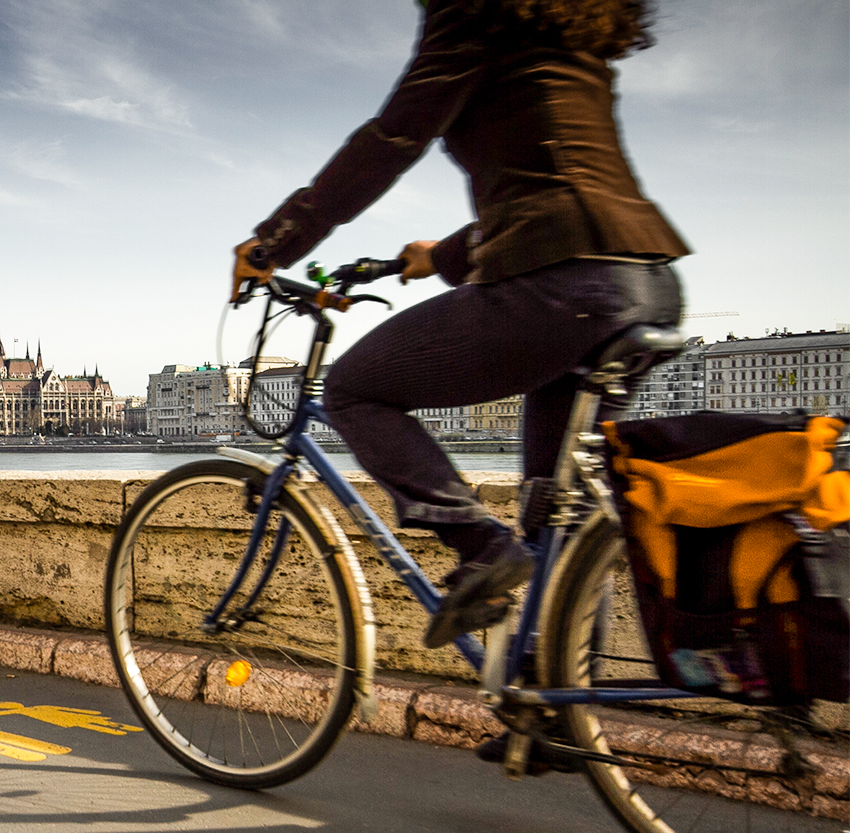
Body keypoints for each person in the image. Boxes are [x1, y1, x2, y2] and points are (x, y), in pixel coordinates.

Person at [232, 0, 688, 648]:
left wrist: (275, 242)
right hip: (645, 278)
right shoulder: (569, 30)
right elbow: (557, 182)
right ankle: (555, 722)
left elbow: (395, 137)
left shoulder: (475, 10)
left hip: (562, 288)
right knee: (558, 514)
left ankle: (479, 545)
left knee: (355, 388)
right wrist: (438, 257)